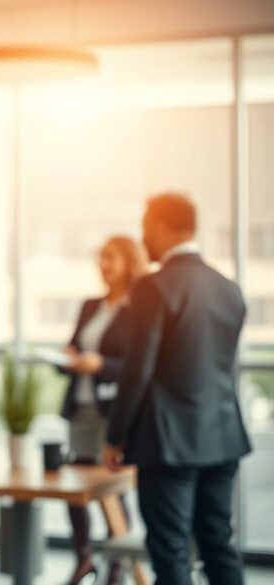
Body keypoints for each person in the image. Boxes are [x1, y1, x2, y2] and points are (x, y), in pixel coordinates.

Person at [103, 192, 252, 585]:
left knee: (170, 553)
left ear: (161, 227)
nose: (143, 237)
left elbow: (138, 370)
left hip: (170, 444)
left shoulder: (154, 286)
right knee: (218, 543)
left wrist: (115, 436)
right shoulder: (228, 287)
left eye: (145, 227)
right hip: (223, 438)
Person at [59, 236, 147, 585]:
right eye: (101, 258)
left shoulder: (139, 307)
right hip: (80, 407)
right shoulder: (90, 306)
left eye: (111, 258)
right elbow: (76, 345)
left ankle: (116, 563)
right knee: (75, 488)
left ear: (129, 261)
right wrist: (67, 357)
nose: (104, 265)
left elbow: (137, 364)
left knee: (112, 488)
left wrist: (102, 365)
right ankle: (83, 558)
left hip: (113, 409)